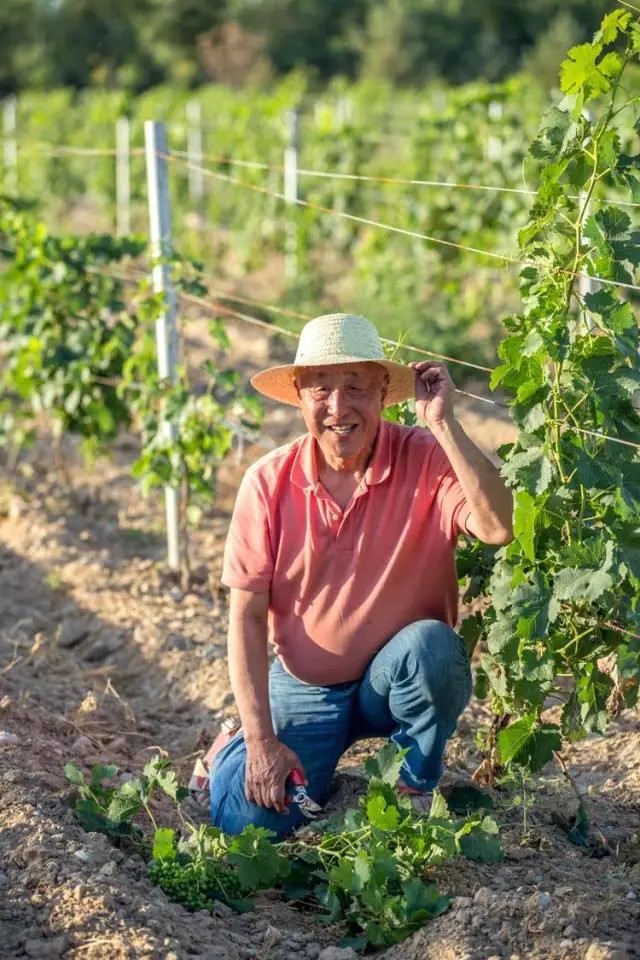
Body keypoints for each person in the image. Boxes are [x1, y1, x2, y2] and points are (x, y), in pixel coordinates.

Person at [206, 313, 513, 838]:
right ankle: (231, 748)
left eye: (356, 388)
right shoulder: (267, 484)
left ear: (383, 395)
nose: (338, 407)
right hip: (307, 683)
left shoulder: (427, 457)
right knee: (250, 826)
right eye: (321, 389)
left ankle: (412, 784)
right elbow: (247, 618)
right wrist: (261, 742)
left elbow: (497, 526)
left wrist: (443, 424)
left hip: (394, 678)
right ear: (299, 396)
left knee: (432, 649)